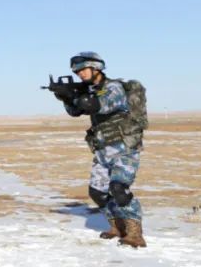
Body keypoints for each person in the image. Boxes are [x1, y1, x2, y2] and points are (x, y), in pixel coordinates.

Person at [56, 52, 147, 248]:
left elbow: (96, 105)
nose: (80, 74)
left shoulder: (113, 88)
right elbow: (76, 111)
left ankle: (135, 234)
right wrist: (65, 97)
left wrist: (74, 94)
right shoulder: (90, 90)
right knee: (97, 192)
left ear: (95, 67)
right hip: (103, 149)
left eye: (82, 69)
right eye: (77, 71)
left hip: (124, 147)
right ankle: (117, 226)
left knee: (119, 189)